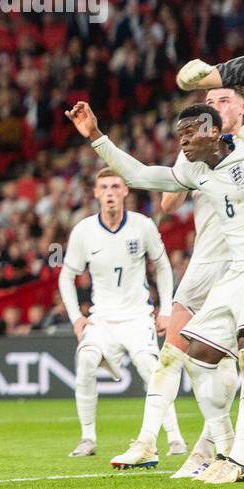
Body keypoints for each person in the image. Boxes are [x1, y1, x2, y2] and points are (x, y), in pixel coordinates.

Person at [66, 99, 244, 484]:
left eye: (190, 133)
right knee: (197, 356)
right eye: (179, 135)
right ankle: (224, 445)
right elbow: (139, 175)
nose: (183, 143)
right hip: (235, 272)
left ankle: (238, 458)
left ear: (214, 131)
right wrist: (96, 137)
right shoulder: (193, 168)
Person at [56, 167, 181, 459]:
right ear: (96, 193)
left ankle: (175, 438)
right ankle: (88, 438)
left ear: (126, 191)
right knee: (85, 360)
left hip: (138, 316)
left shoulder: (142, 225)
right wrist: (76, 316)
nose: (110, 193)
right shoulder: (84, 231)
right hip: (102, 318)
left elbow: (162, 265)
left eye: (115, 187)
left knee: (150, 370)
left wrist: (165, 309)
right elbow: (66, 275)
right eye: (104, 188)